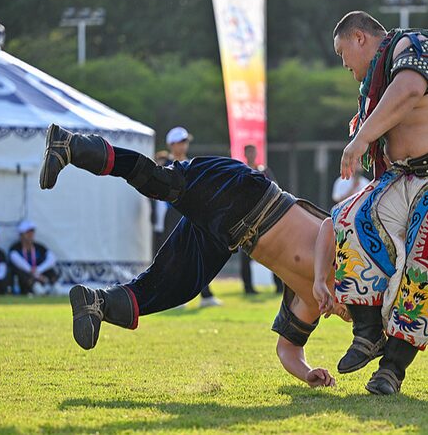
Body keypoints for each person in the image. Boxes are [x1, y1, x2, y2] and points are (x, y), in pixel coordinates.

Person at [39, 123, 350, 388]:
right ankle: (72, 145)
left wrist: (308, 373)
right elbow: (326, 225)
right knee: (162, 182)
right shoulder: (347, 257)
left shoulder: (311, 302)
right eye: (355, 311)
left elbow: (288, 349)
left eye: (349, 320)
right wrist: (323, 278)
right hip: (246, 191)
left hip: (228, 234)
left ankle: (96, 303)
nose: (345, 315)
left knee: (176, 285)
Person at [314, 11, 428, 395]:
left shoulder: (415, 44)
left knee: (425, 264)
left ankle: (392, 369)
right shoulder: (377, 79)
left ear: (360, 37)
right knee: (351, 216)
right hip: (409, 175)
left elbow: (412, 88)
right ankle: (367, 332)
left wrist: (361, 138)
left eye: (343, 52)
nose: (344, 63)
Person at [165, 127, 221, 307]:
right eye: (181, 142)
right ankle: (176, 297)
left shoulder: (190, 164)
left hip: (191, 213)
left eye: (185, 142)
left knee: (198, 253)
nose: (184, 145)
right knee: (177, 256)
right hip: (173, 213)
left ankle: (205, 295)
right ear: (172, 145)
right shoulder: (165, 164)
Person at [240, 144, 284, 295]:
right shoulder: (241, 170)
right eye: (249, 152)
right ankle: (248, 287)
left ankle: (279, 285)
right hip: (247, 218)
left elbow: (275, 188)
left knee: (273, 251)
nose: (251, 154)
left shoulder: (264, 170)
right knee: (246, 253)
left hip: (264, 217)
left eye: (253, 151)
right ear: (245, 154)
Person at [9, 220, 59, 296]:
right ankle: (37, 289)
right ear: (21, 235)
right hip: (28, 277)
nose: (30, 235)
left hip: (39, 273)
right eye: (27, 233)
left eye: (32, 232)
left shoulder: (39, 247)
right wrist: (33, 273)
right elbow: (17, 261)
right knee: (20, 273)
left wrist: (39, 270)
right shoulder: (15, 248)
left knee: (51, 271)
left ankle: (53, 287)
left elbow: (52, 258)